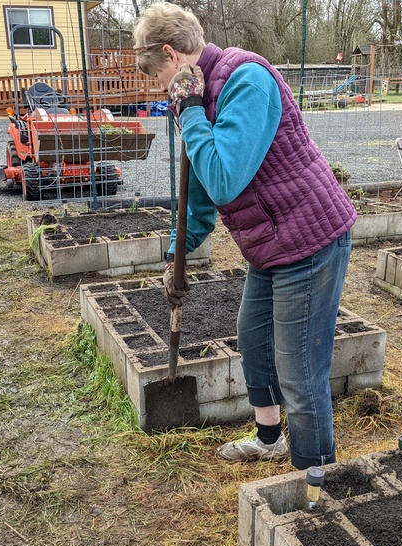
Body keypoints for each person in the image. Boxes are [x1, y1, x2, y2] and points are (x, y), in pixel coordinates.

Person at [133, 3, 356, 470]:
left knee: (299, 369)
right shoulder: (199, 95)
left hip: (309, 238)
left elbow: (225, 178)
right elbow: (197, 188)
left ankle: (315, 478)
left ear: (172, 56)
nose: (159, 90)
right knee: (253, 341)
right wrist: (180, 251)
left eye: (156, 77)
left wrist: (190, 114)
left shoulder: (244, 80)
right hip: (272, 243)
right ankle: (270, 438)